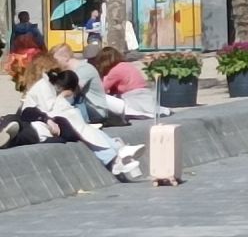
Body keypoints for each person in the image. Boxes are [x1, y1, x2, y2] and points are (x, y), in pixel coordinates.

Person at [1, 67, 143, 179]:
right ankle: (115, 153)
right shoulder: (47, 90)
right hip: (38, 125)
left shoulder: (51, 89)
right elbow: (41, 110)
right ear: (69, 90)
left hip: (41, 124)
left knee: (85, 129)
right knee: (81, 129)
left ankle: (117, 150)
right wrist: (51, 115)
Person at [91, 47, 163, 120]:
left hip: (133, 97)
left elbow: (101, 89)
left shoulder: (115, 71)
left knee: (106, 99)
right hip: (144, 94)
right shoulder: (126, 65)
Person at [50, 43, 114, 124]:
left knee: (74, 94)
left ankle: (82, 124)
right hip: (87, 108)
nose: (53, 64)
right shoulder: (69, 72)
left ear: (66, 57)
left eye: (55, 60)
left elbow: (72, 91)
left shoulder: (84, 69)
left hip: (97, 110)